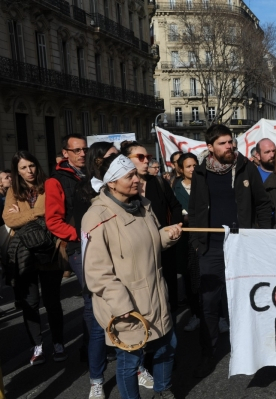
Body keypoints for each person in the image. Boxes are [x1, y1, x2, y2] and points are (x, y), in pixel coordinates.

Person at [82, 154, 182, 399]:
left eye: (136, 174)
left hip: (155, 295)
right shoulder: (96, 217)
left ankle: (162, 389)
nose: (138, 179)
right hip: (126, 305)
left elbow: (147, 243)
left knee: (168, 347)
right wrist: (121, 305)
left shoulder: (143, 206)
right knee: (130, 363)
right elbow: (96, 271)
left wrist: (166, 236)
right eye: (130, 176)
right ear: (112, 182)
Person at [187, 124, 271, 378]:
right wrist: (197, 244)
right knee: (210, 303)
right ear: (210, 147)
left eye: (230, 142)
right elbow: (195, 210)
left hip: (242, 247)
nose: (229, 146)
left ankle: (251, 353)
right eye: (222, 143)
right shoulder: (201, 173)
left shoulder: (246, 168)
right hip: (211, 248)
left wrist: (261, 237)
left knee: (247, 302)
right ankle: (209, 353)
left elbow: (263, 204)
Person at [3, 151, 66, 365]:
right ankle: (37, 346)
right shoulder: (13, 190)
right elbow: (8, 218)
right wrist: (34, 214)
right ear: (17, 171)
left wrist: (22, 215)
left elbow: (48, 214)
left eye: (32, 166)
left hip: (48, 250)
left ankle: (58, 343)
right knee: (30, 303)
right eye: (23, 168)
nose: (29, 171)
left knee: (52, 301)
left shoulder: (49, 185)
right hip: (24, 253)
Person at [71, 142, 119, 398]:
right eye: (112, 156)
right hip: (96, 262)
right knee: (98, 323)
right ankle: (96, 380)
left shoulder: (125, 185)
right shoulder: (84, 189)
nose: (118, 159)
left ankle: (135, 366)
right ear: (98, 160)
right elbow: (85, 230)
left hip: (122, 259)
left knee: (127, 315)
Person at [120, 141, 183, 315]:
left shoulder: (158, 182)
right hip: (136, 253)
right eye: (140, 157)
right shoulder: (119, 187)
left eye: (147, 157)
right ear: (125, 160)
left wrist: (173, 227)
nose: (146, 161)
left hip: (163, 248)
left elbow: (176, 207)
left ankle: (170, 336)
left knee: (169, 299)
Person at [45, 134, 87, 349]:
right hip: (77, 248)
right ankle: (90, 349)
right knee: (92, 298)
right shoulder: (55, 180)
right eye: (77, 150)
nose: (82, 154)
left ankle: (96, 345)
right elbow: (53, 221)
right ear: (65, 153)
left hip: (99, 244)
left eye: (84, 150)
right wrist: (79, 235)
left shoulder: (89, 175)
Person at [172, 153, 202, 332]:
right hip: (185, 239)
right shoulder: (176, 188)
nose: (192, 169)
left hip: (204, 236)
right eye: (188, 166)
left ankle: (218, 316)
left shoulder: (204, 184)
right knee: (190, 277)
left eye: (194, 165)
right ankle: (195, 314)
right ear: (181, 169)